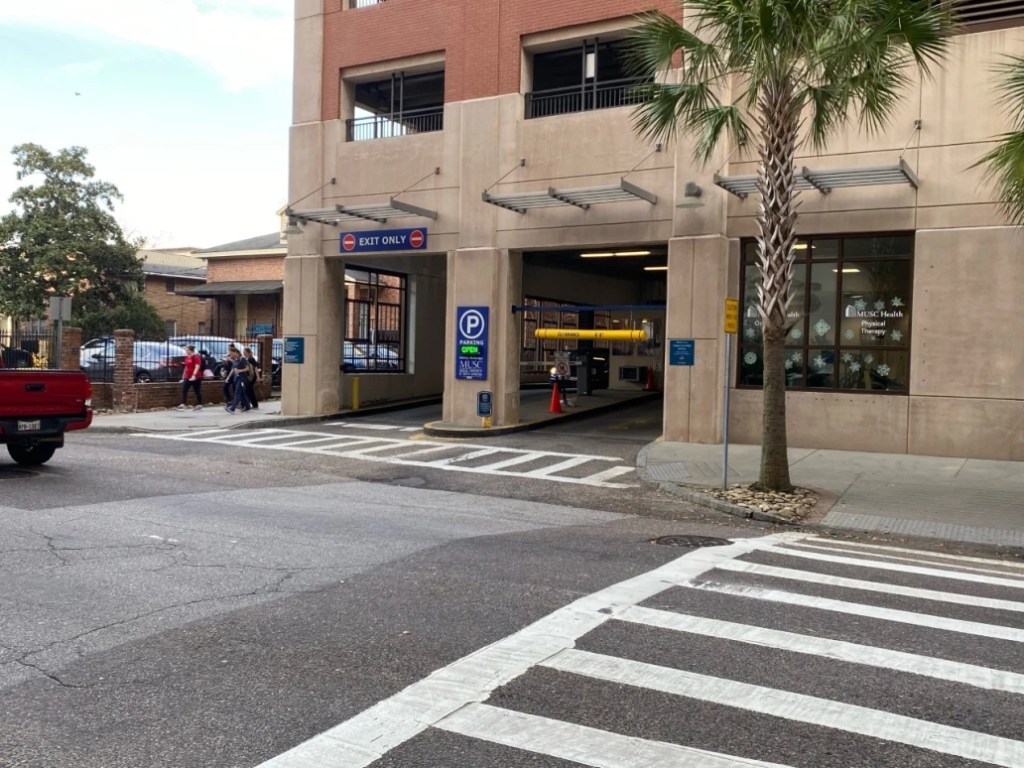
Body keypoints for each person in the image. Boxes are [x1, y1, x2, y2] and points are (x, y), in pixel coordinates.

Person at [174, 344, 203, 411]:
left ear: (191, 350)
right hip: (188, 376)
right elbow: (186, 367)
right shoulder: (187, 357)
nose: (186, 351)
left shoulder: (196, 357)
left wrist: (194, 375)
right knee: (184, 389)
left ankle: (199, 404)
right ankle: (183, 404)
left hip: (196, 377)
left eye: (187, 350)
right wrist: (183, 377)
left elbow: (197, 366)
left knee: (197, 390)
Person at [224, 348, 252, 413]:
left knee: (237, 392)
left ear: (235, 352)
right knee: (242, 394)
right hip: (237, 378)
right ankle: (247, 406)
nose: (231, 355)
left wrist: (240, 370)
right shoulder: (236, 360)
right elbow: (233, 369)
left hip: (242, 378)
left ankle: (232, 408)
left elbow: (248, 368)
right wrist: (228, 377)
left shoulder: (242, 359)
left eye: (231, 353)